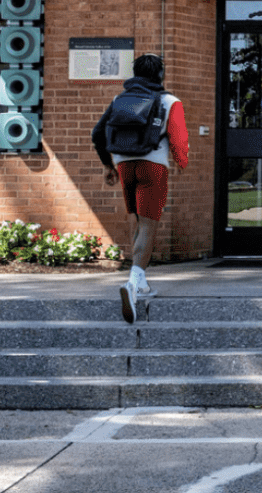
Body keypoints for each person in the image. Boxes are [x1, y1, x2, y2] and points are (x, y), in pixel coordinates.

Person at [91, 53, 187, 324]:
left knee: (135, 219)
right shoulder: (170, 101)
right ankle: (133, 283)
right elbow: (179, 138)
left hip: (123, 165)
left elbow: (97, 134)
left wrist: (108, 165)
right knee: (149, 225)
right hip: (153, 165)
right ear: (160, 74)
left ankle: (141, 281)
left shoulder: (118, 100)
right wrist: (181, 161)